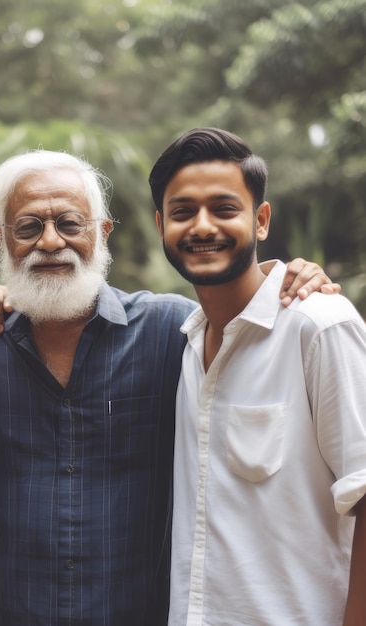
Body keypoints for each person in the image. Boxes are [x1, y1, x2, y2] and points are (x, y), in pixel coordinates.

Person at [0, 149, 336, 625]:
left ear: (102, 233)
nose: (49, 241)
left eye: (70, 223)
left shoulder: (176, 331)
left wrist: (286, 275)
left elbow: (246, 313)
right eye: (27, 227)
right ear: (3, 241)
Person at [149, 127, 366, 625]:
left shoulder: (319, 325)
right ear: (162, 224)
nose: (202, 227)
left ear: (260, 219)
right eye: (183, 212)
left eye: (224, 209)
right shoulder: (183, 344)